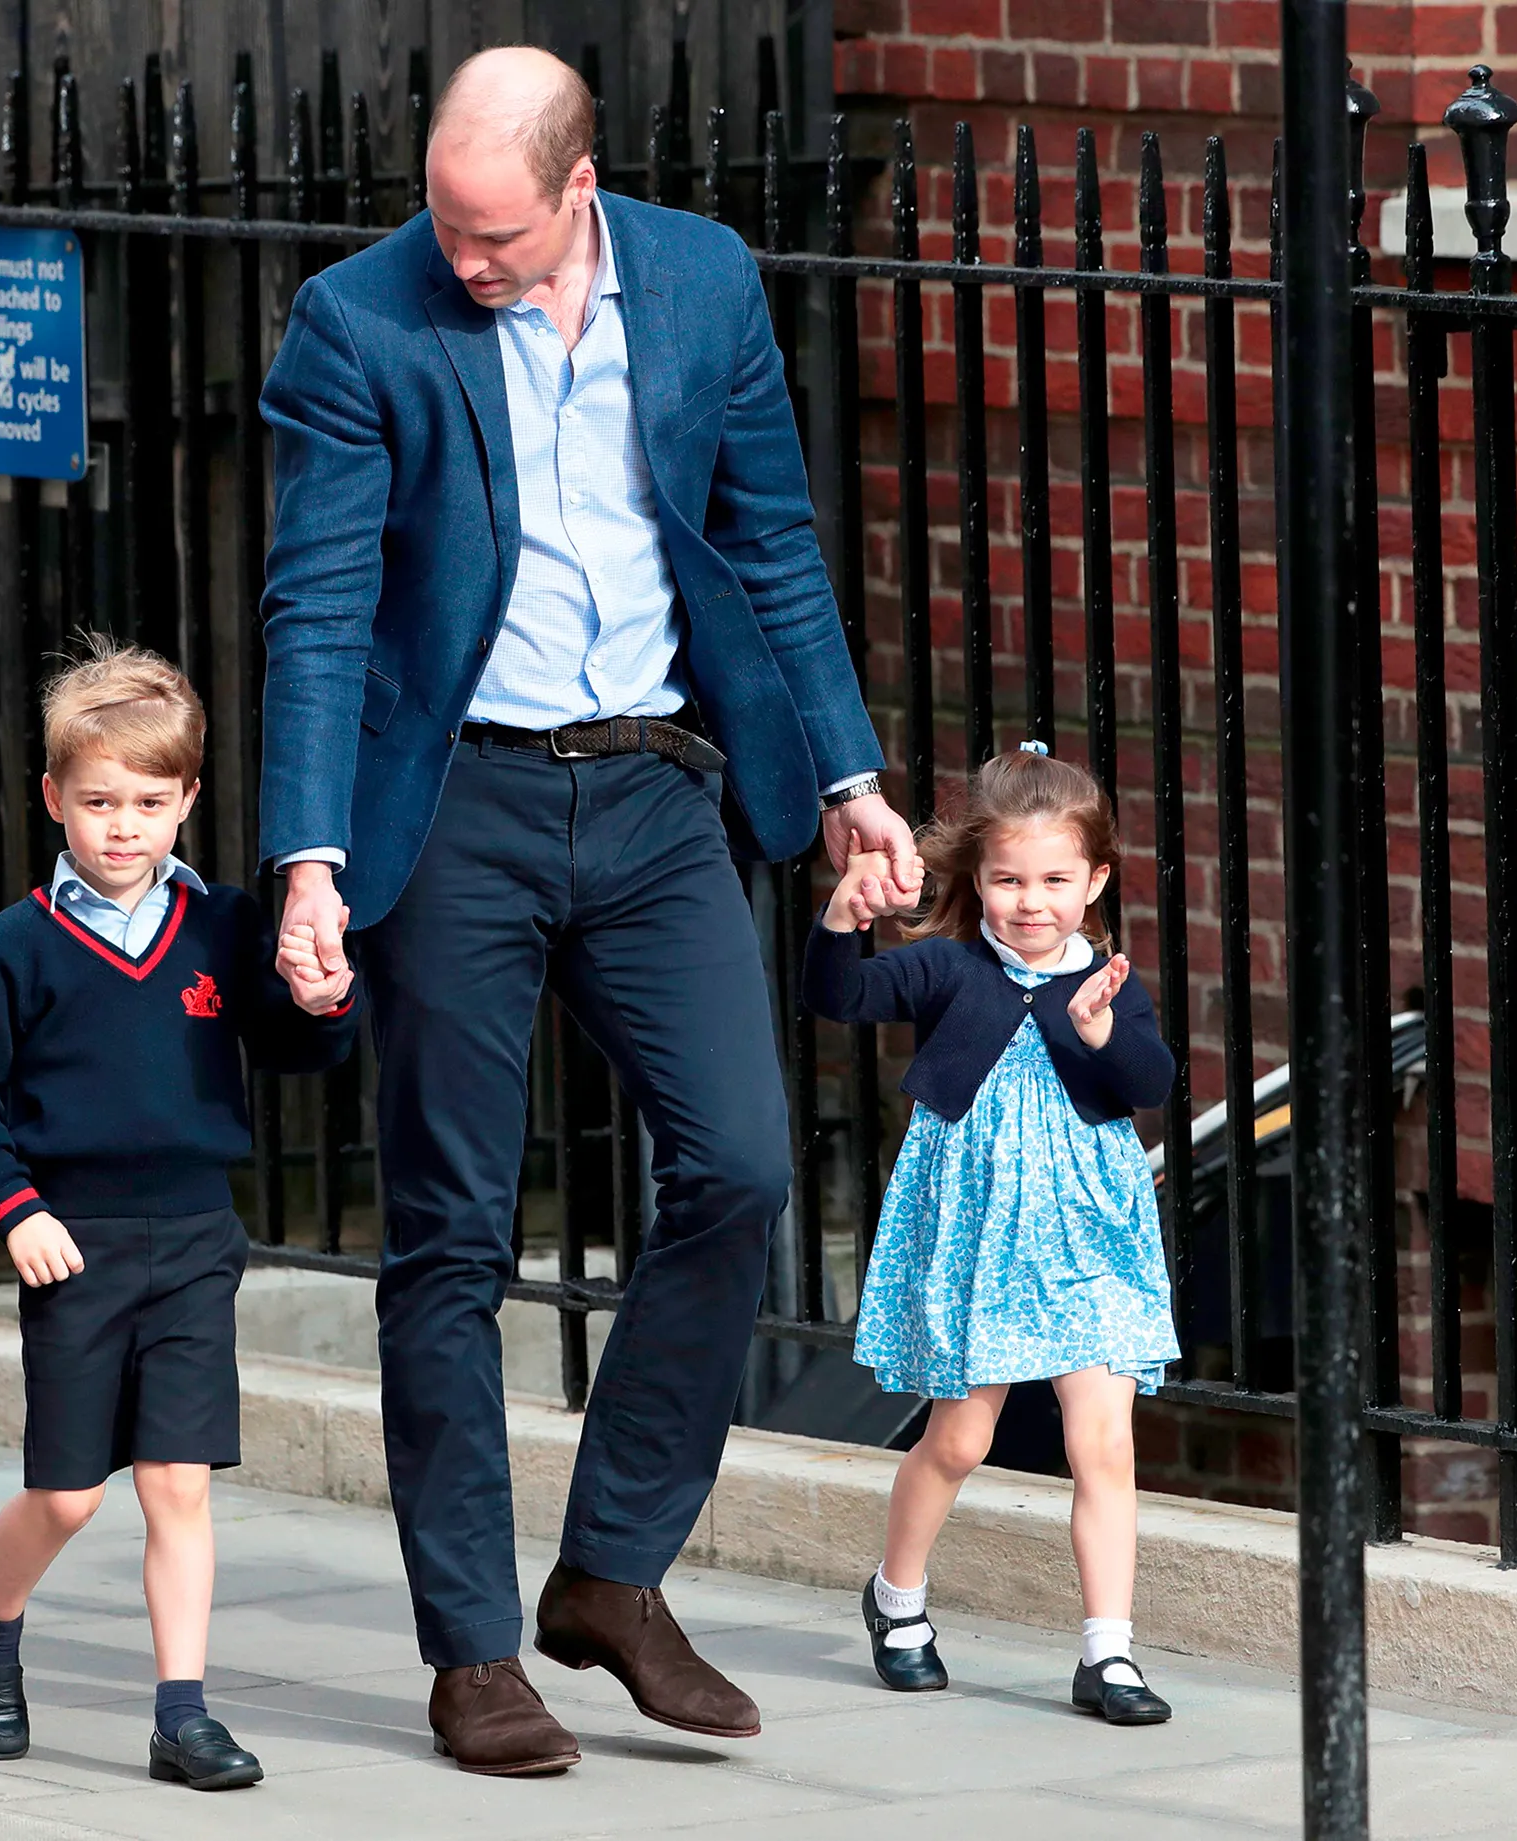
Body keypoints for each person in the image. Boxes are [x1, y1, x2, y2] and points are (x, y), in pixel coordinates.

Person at [258, 46, 920, 1775]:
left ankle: (612, 1570)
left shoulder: (700, 280)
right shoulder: (359, 322)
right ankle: (474, 1650)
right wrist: (310, 856)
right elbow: (319, 606)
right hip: (454, 800)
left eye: (491, 236)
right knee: (454, 1238)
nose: (459, 260)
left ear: (578, 183)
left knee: (745, 1164)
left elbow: (772, 539)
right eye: (442, 223)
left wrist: (850, 778)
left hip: (651, 788)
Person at [0, 638, 360, 1789]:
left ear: (188, 801)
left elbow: (298, 1039)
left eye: (150, 802)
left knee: (178, 1483)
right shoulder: (13, 948)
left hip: (194, 1239)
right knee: (67, 1490)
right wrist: (11, 1208)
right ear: (55, 796)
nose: (124, 825)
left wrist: (324, 999)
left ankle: (181, 1712)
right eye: (100, 800)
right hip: (71, 1245)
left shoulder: (221, 924)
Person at [803, 743, 1181, 1726]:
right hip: (980, 1235)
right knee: (960, 1438)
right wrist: (839, 923)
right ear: (974, 876)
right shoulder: (942, 966)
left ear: (1093, 879)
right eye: (1007, 878)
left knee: (1101, 1441)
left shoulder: (1103, 979)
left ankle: (1109, 1653)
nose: (1029, 900)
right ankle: (894, 1599)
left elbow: (1148, 1081)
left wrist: (1101, 1035)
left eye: (1054, 878)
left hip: (1089, 1236)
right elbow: (839, 998)